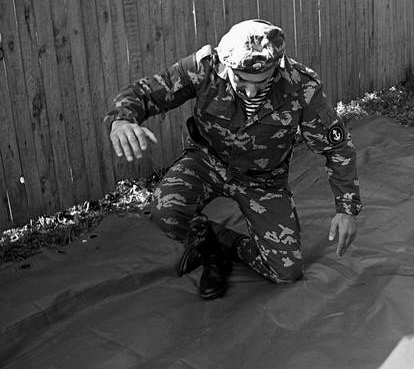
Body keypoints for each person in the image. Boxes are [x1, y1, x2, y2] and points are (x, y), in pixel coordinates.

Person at [104, 19, 362, 299]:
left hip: (264, 181)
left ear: (277, 67)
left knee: (286, 272)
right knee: (166, 208)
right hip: (207, 163)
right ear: (225, 64)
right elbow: (146, 92)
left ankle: (228, 243)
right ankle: (210, 250)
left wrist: (346, 209)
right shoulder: (204, 68)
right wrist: (121, 120)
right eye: (240, 80)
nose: (250, 92)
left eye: (261, 82)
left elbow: (337, 147)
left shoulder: (300, 86)